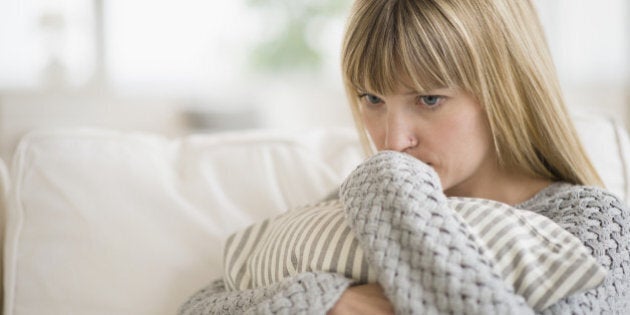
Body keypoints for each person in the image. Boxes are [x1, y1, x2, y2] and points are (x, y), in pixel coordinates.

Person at [179, 0, 630, 314]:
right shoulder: (344, 205)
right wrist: (326, 301)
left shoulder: (594, 225)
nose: (393, 142)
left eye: (429, 100)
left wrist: (386, 185)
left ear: (503, 91)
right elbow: (200, 306)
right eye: (372, 98)